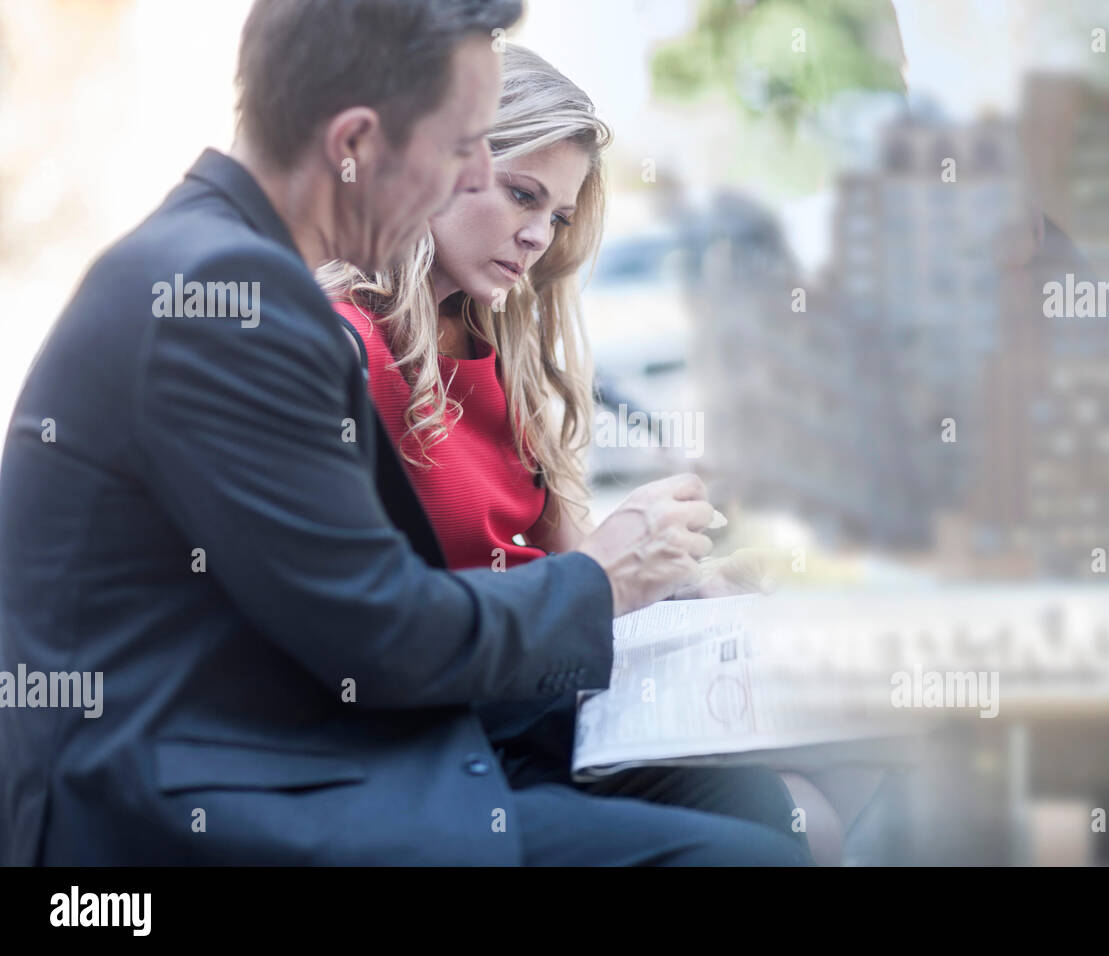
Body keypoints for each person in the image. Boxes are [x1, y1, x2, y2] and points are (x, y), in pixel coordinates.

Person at [0, 0, 807, 867]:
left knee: (760, 809)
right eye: (464, 149)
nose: (464, 183)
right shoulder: (233, 299)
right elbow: (385, 637)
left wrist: (641, 596)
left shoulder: (218, 266)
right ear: (355, 144)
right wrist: (601, 581)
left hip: (289, 754)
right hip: (194, 810)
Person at [316, 44, 805, 847]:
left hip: (537, 711)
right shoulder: (342, 349)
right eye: (521, 195)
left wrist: (682, 593)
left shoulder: (494, 351)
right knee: (752, 839)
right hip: (436, 748)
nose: (540, 235)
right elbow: (362, 624)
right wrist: (600, 583)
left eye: (561, 216)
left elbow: (564, 571)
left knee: (791, 797)